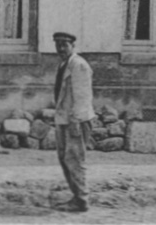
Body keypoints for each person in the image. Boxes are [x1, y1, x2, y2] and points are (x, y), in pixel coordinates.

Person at [52, 31, 94, 213]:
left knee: (75, 160)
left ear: (72, 46)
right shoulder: (65, 64)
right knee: (65, 159)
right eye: (58, 44)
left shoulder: (79, 65)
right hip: (64, 119)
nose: (61, 48)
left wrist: (76, 120)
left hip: (75, 120)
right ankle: (77, 196)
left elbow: (83, 96)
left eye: (64, 45)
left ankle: (81, 200)